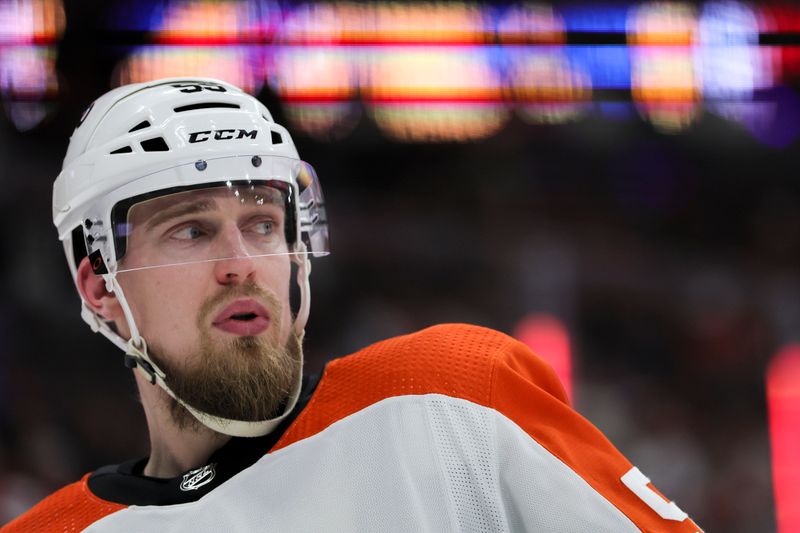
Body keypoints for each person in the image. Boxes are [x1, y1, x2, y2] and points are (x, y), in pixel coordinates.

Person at [2, 78, 702, 532]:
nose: (240, 263)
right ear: (100, 289)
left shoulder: (448, 395)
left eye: (263, 224)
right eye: (190, 229)